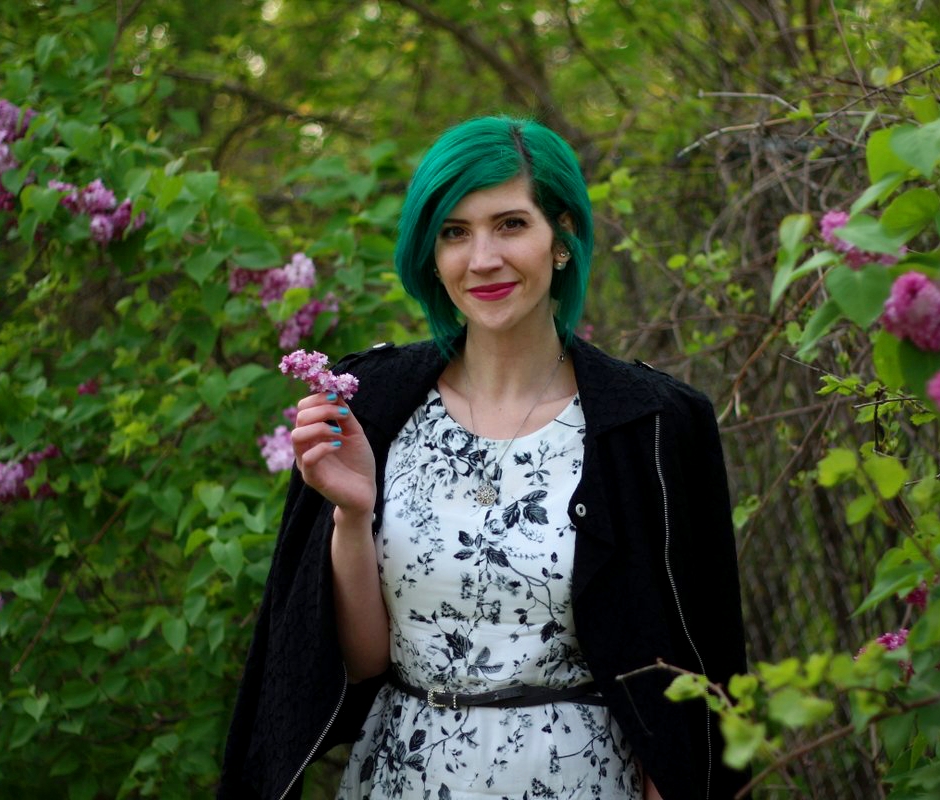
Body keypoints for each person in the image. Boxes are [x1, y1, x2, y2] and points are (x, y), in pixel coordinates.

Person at [219, 116, 746, 800]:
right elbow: (364, 660)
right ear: (431, 255)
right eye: (455, 232)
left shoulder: (651, 424)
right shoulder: (371, 406)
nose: (482, 259)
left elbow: (697, 675)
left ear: (563, 238)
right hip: (404, 778)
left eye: (510, 225)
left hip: (580, 781)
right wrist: (353, 514)